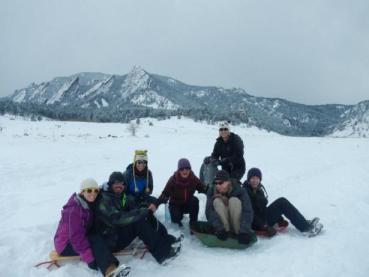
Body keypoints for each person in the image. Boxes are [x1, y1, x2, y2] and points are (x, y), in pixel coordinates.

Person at [94, 172, 181, 265]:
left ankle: (167, 240)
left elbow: (134, 206)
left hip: (118, 231)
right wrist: (140, 213)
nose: (119, 185)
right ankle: (162, 255)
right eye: (116, 182)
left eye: (122, 183)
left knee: (146, 215)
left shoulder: (121, 196)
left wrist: (145, 208)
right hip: (110, 239)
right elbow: (116, 219)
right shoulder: (104, 199)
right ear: (110, 184)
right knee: (138, 222)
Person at [54, 178, 130, 277]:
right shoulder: (73, 210)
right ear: (82, 192)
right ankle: (110, 271)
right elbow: (76, 238)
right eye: (89, 190)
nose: (92, 193)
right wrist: (89, 258)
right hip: (66, 244)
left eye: (95, 191)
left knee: (98, 237)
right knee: (95, 240)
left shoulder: (88, 203)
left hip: (80, 237)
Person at [243, 168, 323, 237]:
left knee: (282, 202)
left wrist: (277, 216)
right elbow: (250, 213)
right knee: (282, 202)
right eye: (252, 178)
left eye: (257, 178)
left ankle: (303, 222)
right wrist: (265, 226)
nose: (255, 181)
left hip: (262, 217)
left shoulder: (257, 189)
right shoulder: (246, 192)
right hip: (256, 223)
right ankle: (305, 228)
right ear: (248, 179)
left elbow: (262, 208)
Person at [205, 170, 254, 244]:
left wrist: (244, 230)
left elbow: (247, 210)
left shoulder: (240, 191)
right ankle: (226, 231)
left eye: (220, 183)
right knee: (217, 201)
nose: (218, 185)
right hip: (222, 227)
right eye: (216, 183)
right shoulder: (211, 191)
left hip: (239, 227)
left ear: (228, 182)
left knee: (234, 200)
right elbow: (209, 212)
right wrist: (219, 228)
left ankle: (238, 232)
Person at [157, 158, 207, 228]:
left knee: (194, 200)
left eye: (187, 168)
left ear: (190, 169)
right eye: (182, 169)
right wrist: (155, 204)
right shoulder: (173, 180)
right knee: (176, 221)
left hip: (187, 204)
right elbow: (165, 193)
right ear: (179, 170)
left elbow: (203, 188)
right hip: (175, 205)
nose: (185, 171)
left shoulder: (193, 178)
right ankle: (177, 224)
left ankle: (193, 224)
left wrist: (211, 190)